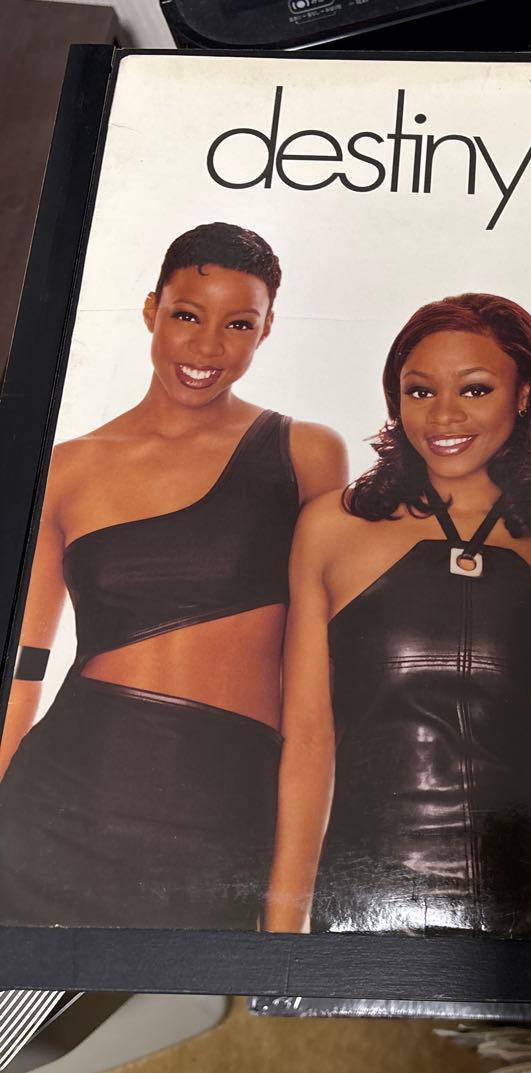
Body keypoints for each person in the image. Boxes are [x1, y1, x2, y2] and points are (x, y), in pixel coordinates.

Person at [265, 292, 531, 940]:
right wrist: (280, 934)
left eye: (475, 390)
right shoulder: (331, 529)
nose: (443, 415)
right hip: (372, 901)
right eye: (420, 391)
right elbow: (307, 743)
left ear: (525, 394)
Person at [0, 222, 348, 930]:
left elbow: (317, 703)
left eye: (238, 324)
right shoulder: (66, 467)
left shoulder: (305, 454)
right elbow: (23, 666)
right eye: (188, 315)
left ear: (267, 329)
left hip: (223, 819)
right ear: (151, 309)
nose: (208, 347)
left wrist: (289, 912)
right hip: (58, 805)